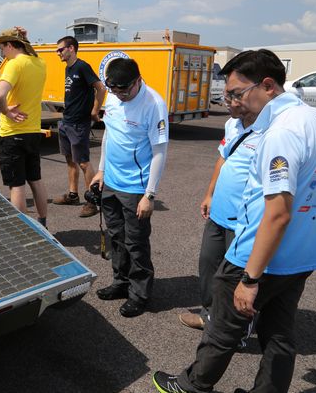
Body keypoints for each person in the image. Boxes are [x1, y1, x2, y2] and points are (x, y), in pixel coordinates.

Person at [153, 49, 316, 393]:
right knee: (279, 333)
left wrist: (250, 277)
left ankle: (191, 385)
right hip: (302, 254)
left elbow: (278, 214)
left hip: (258, 257)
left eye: (237, 93)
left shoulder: (281, 132)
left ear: (267, 85)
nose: (233, 101)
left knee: (223, 328)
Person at [91, 58, 168, 318]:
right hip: (111, 182)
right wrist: (101, 170)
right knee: (116, 237)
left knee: (136, 243)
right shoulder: (113, 98)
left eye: (124, 90)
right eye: (114, 90)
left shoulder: (153, 104)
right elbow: (109, 135)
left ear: (137, 81)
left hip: (136, 187)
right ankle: (120, 282)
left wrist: (150, 194)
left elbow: (159, 152)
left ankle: (139, 294)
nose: (120, 96)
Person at [179, 90, 260, 330]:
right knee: (209, 264)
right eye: (226, 99)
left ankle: (237, 329)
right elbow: (223, 159)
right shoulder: (232, 125)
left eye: (233, 99)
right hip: (219, 213)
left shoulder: (271, 132)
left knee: (237, 276)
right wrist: (209, 194)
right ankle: (209, 314)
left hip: (245, 219)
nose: (227, 104)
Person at [0, 27, 48, 228]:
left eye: (3, 47)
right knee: (36, 180)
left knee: (17, 185)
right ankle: (43, 223)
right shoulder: (40, 64)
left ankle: (24, 230)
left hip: (12, 133)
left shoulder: (15, 65)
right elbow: (31, 53)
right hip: (33, 130)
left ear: (10, 44)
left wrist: (6, 111)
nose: (3, 52)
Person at [52, 35, 106, 218]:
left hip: (79, 123)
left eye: (60, 49)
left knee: (83, 162)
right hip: (67, 121)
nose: (57, 52)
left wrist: (95, 110)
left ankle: (92, 202)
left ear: (71, 49)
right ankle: (73, 195)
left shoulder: (82, 66)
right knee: (70, 159)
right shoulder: (68, 68)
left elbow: (101, 88)